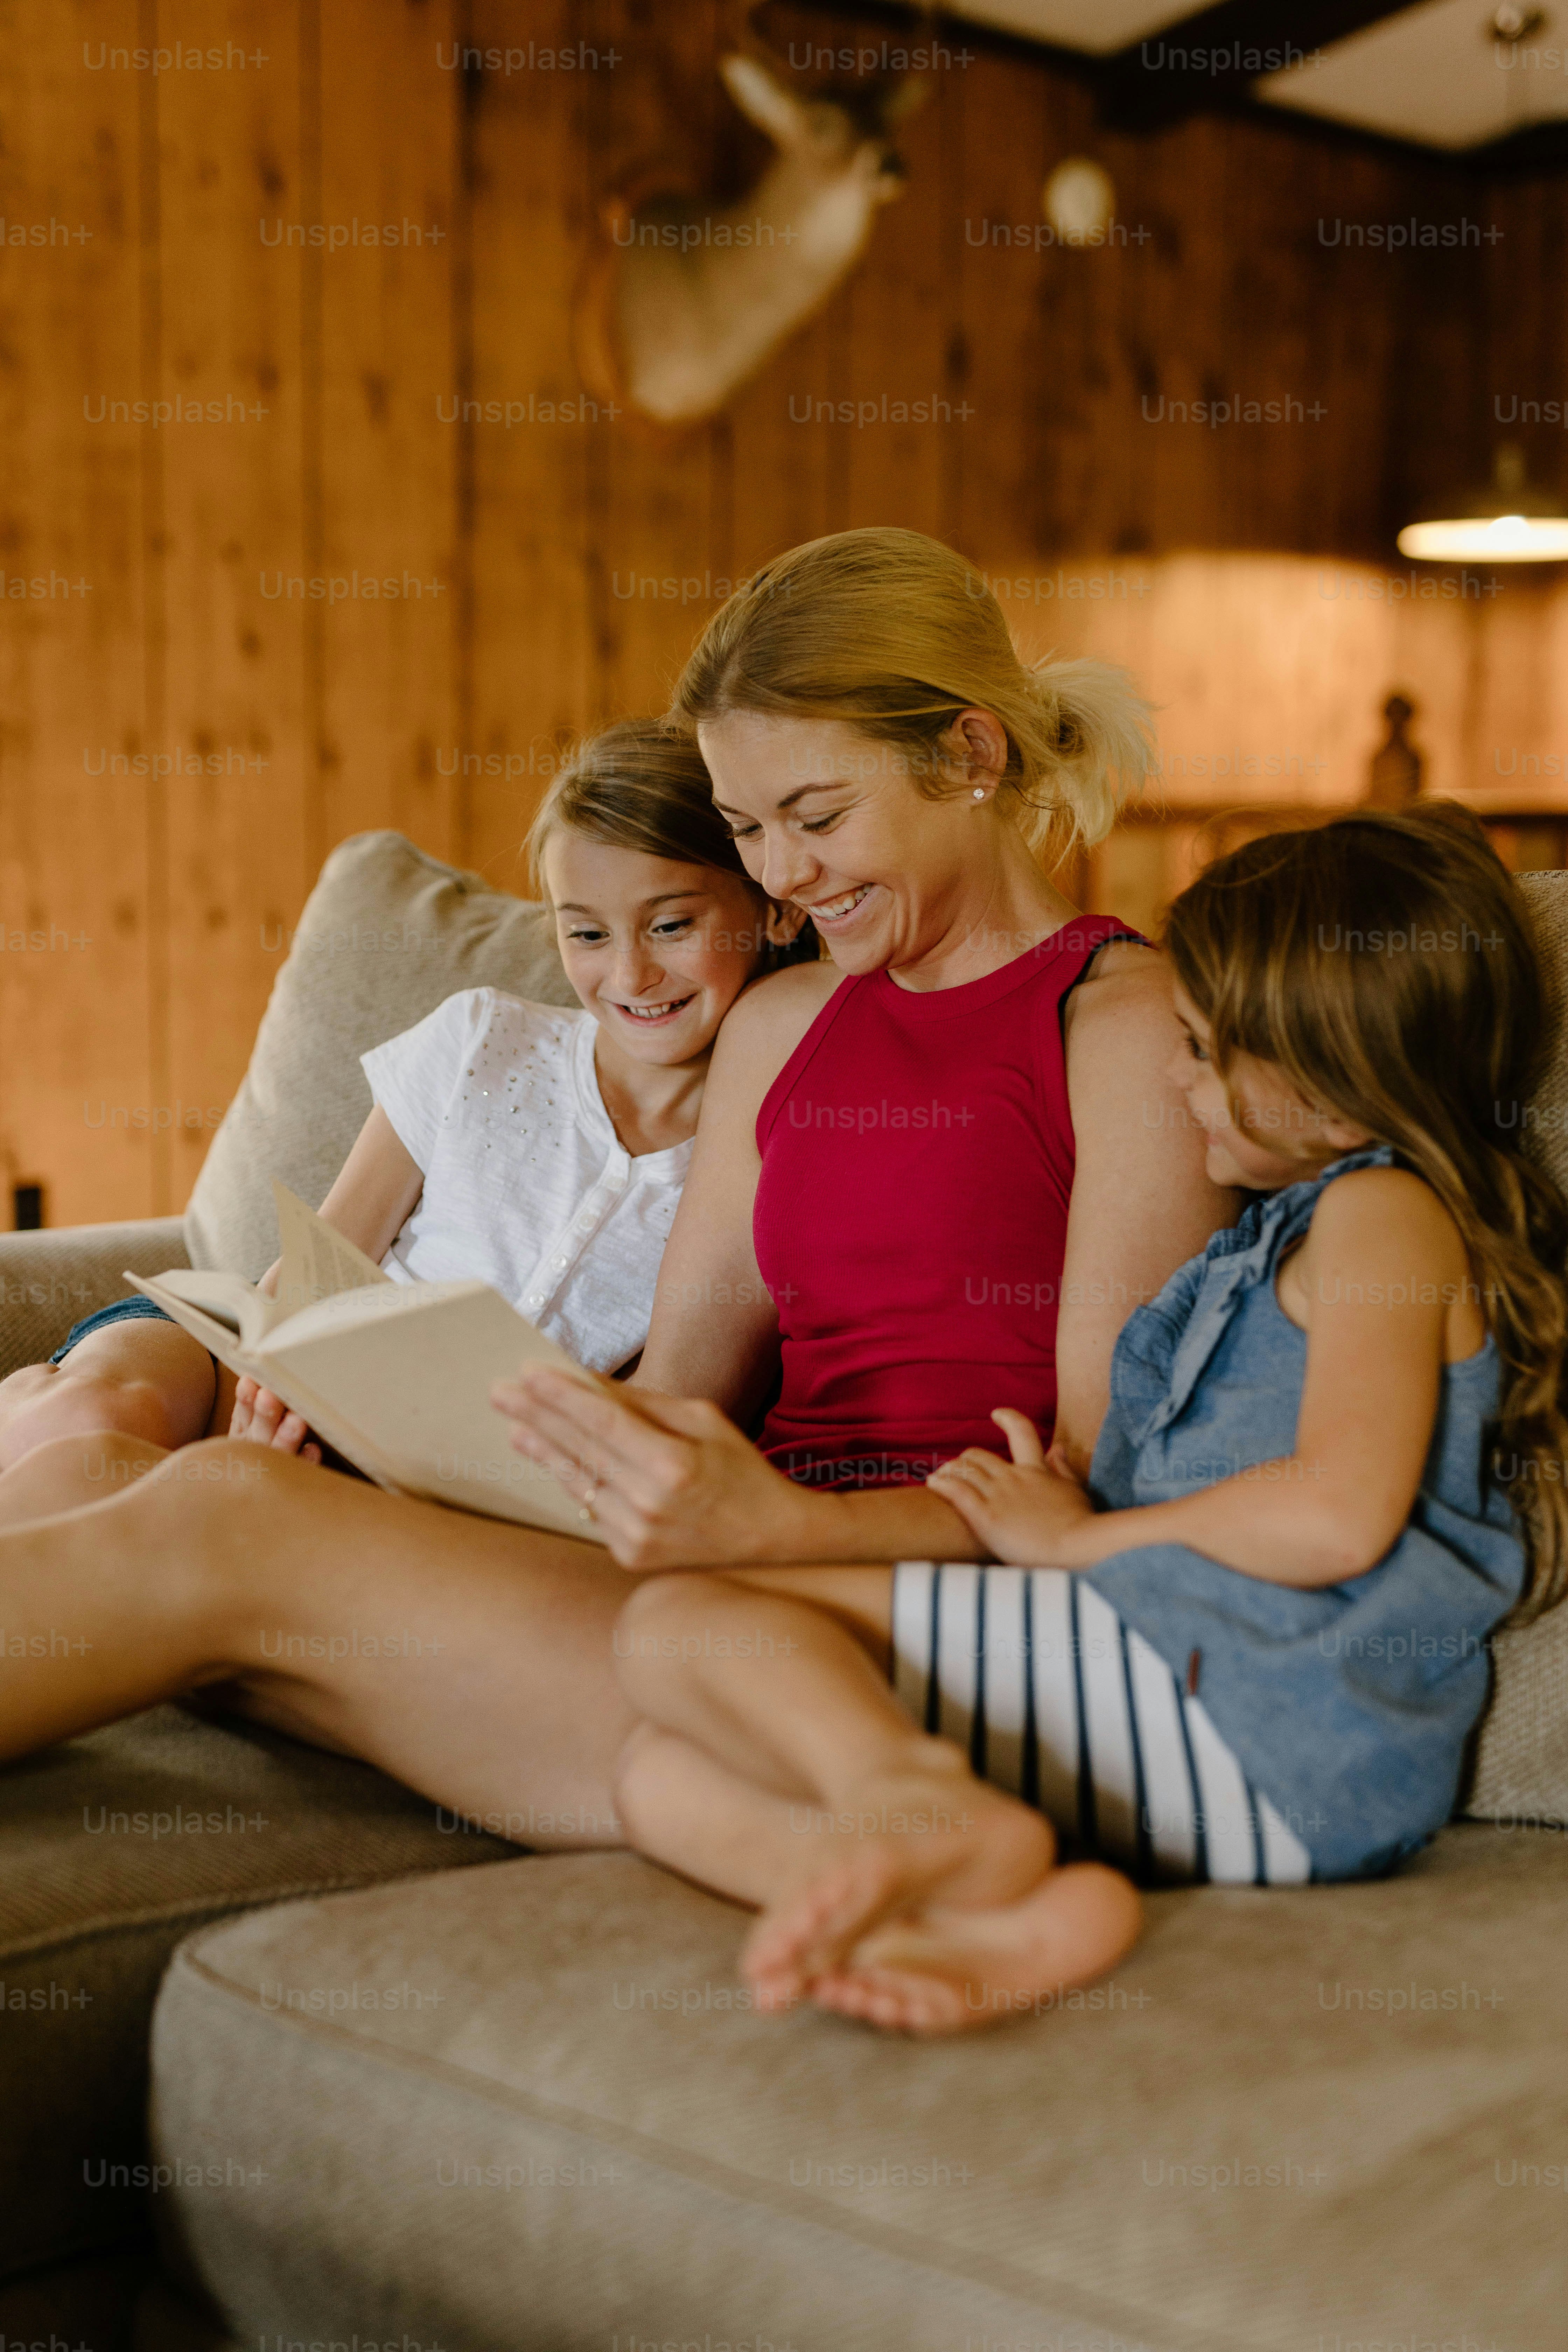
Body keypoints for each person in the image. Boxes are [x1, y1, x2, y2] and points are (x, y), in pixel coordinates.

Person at [0, 529, 1228, 2028]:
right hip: (715, 1579)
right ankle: (919, 1876)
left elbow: (1098, 1487)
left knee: (216, 1523)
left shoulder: (1127, 1032)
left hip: (904, 1603)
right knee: (220, 1526)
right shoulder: (781, 1034)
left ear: (969, 753)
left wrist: (769, 1523)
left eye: (815, 816)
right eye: (747, 827)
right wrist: (421, 1444)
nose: (780, 873)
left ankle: (919, 1841)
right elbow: (674, 1396)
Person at [565, 806, 1564, 2033]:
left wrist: (1072, 1543)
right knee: (655, 1774)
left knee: (681, 1623)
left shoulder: (1383, 1218)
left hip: (1271, 1723)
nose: (1176, 1079)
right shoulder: (1280, 1233)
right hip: (1199, 1708)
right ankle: (1009, 1912)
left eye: (1201, 1048)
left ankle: (919, 1806)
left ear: (1334, 1085)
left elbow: (1340, 1512)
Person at [0, 719, 805, 1482]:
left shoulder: (765, 1153)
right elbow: (322, 1265)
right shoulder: (482, 1039)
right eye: (587, 935)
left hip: (421, 1473)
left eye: (670, 926)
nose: (629, 977)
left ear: (770, 907)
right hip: (251, 1368)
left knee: (109, 1499)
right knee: (82, 1420)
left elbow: (660, 1406)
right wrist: (266, 1400)